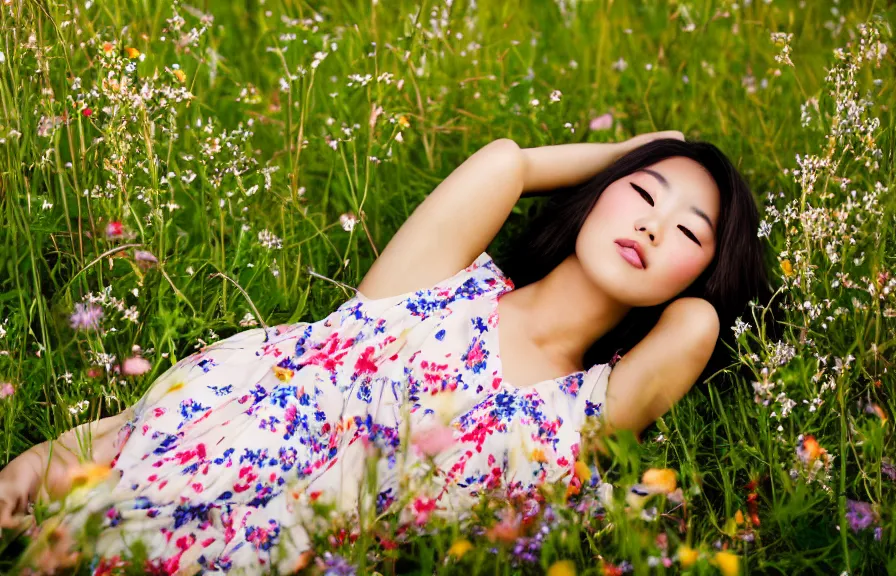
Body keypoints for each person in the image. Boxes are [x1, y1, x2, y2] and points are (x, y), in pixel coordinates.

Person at [0, 133, 769, 575]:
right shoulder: (438, 284)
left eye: (690, 231)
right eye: (642, 192)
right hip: (176, 457)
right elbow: (510, 163)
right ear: (600, 189)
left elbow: (697, 324)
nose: (654, 225)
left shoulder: (591, 410)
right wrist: (631, 149)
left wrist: (711, 261)